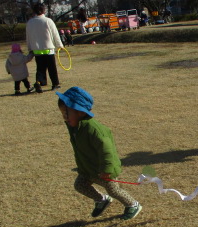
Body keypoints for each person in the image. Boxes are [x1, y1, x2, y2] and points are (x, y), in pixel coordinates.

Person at [56, 86, 142, 220]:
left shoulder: (93, 129)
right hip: (88, 169)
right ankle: (102, 200)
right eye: (62, 114)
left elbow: (107, 151)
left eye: (66, 114)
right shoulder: (76, 127)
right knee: (80, 185)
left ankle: (133, 204)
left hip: (103, 170)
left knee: (114, 190)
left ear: (80, 112)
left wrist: (106, 169)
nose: (64, 118)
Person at [26, 2, 64, 93]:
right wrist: (60, 45)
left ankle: (38, 82)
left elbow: (28, 36)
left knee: (40, 68)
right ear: (43, 10)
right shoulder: (48, 21)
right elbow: (55, 34)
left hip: (37, 50)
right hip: (48, 49)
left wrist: (30, 48)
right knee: (52, 68)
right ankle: (55, 84)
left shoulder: (30, 22)